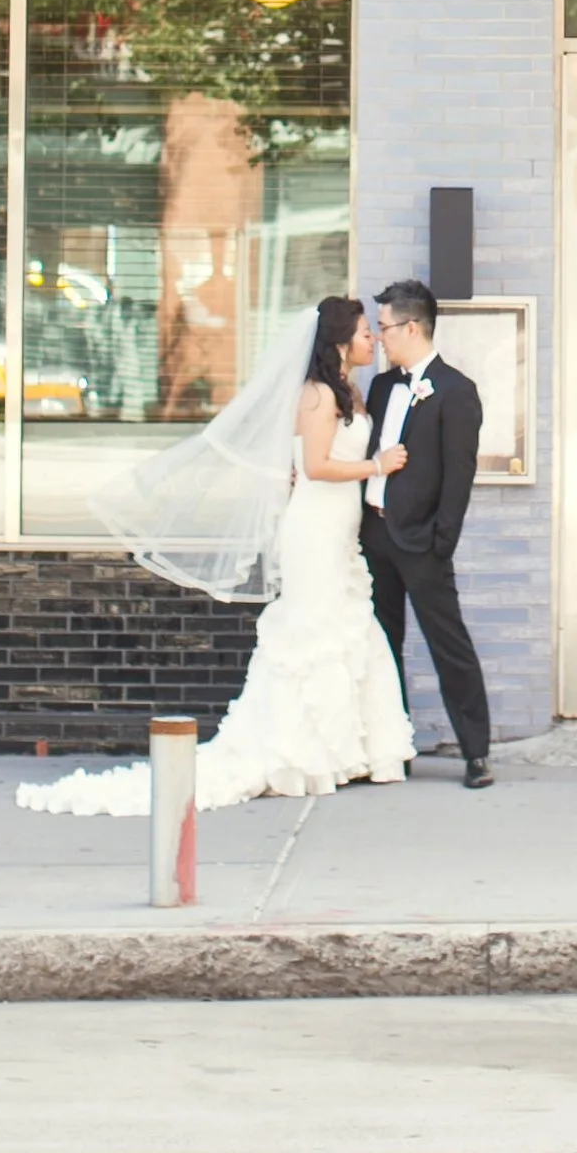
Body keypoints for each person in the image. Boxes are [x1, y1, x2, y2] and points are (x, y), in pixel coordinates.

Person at [95, 293, 415, 808]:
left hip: (338, 529)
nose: (372, 340)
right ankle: (302, 755)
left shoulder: (348, 391)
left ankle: (344, 751)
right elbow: (317, 466)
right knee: (314, 630)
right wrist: (378, 466)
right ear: (338, 340)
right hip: (313, 527)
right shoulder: (317, 396)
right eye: (363, 333)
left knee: (346, 625)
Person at [362, 277, 493, 788]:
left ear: (412, 327)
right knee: (382, 644)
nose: (379, 337)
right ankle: (394, 745)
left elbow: (459, 476)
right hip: (374, 537)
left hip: (423, 544)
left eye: (386, 327)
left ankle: (476, 752)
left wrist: (442, 543)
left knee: (448, 643)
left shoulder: (457, 392)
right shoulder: (381, 386)